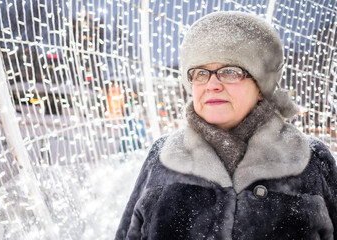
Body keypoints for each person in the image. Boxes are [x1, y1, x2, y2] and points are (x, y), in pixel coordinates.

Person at [115, 11, 337, 239]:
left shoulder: (312, 160)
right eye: (201, 73)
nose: (212, 84)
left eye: (230, 71)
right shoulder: (162, 157)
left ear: (261, 86)